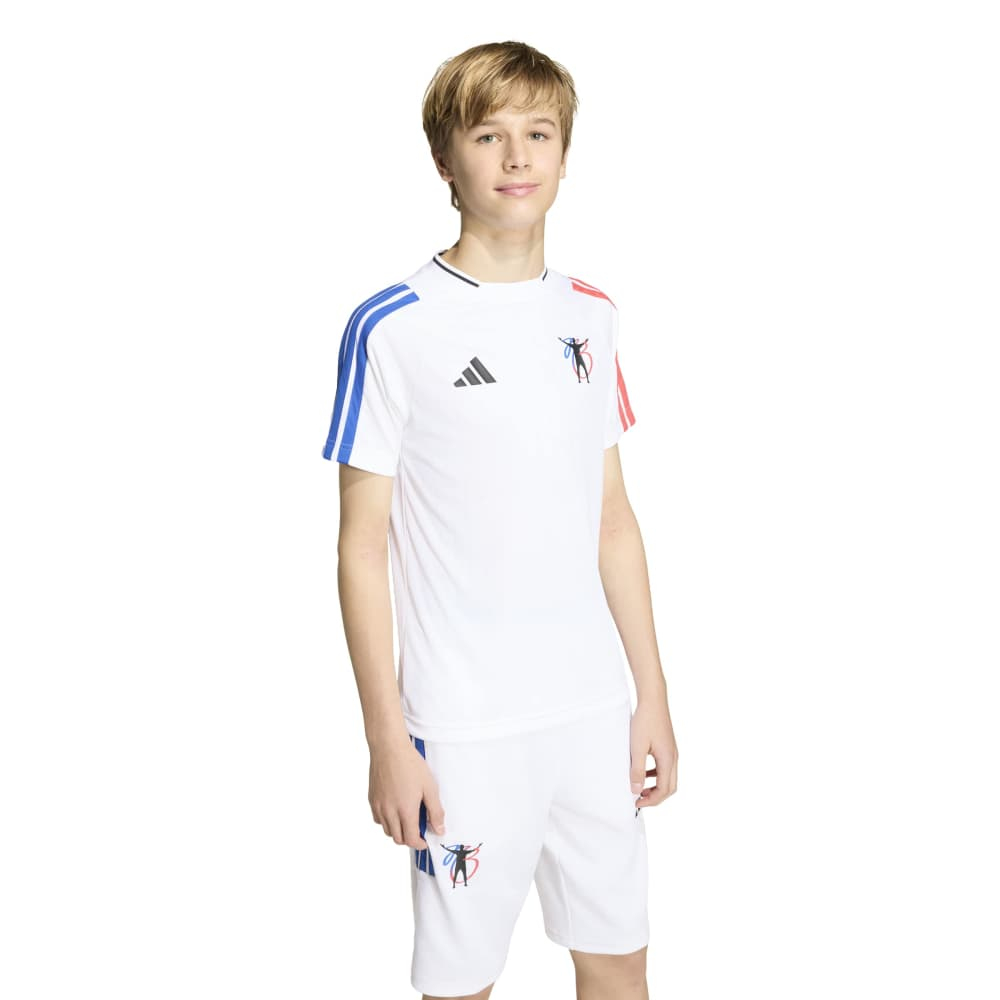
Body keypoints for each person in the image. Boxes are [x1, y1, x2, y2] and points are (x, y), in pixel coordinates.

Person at [322, 39, 678, 1000]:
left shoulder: (592, 316)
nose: (517, 157)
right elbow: (360, 548)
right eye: (488, 135)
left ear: (564, 153)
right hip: (464, 729)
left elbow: (612, 520)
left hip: (592, 714)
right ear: (445, 159)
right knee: (463, 983)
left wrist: (651, 693)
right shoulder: (392, 326)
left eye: (539, 133)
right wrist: (386, 739)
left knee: (619, 962)